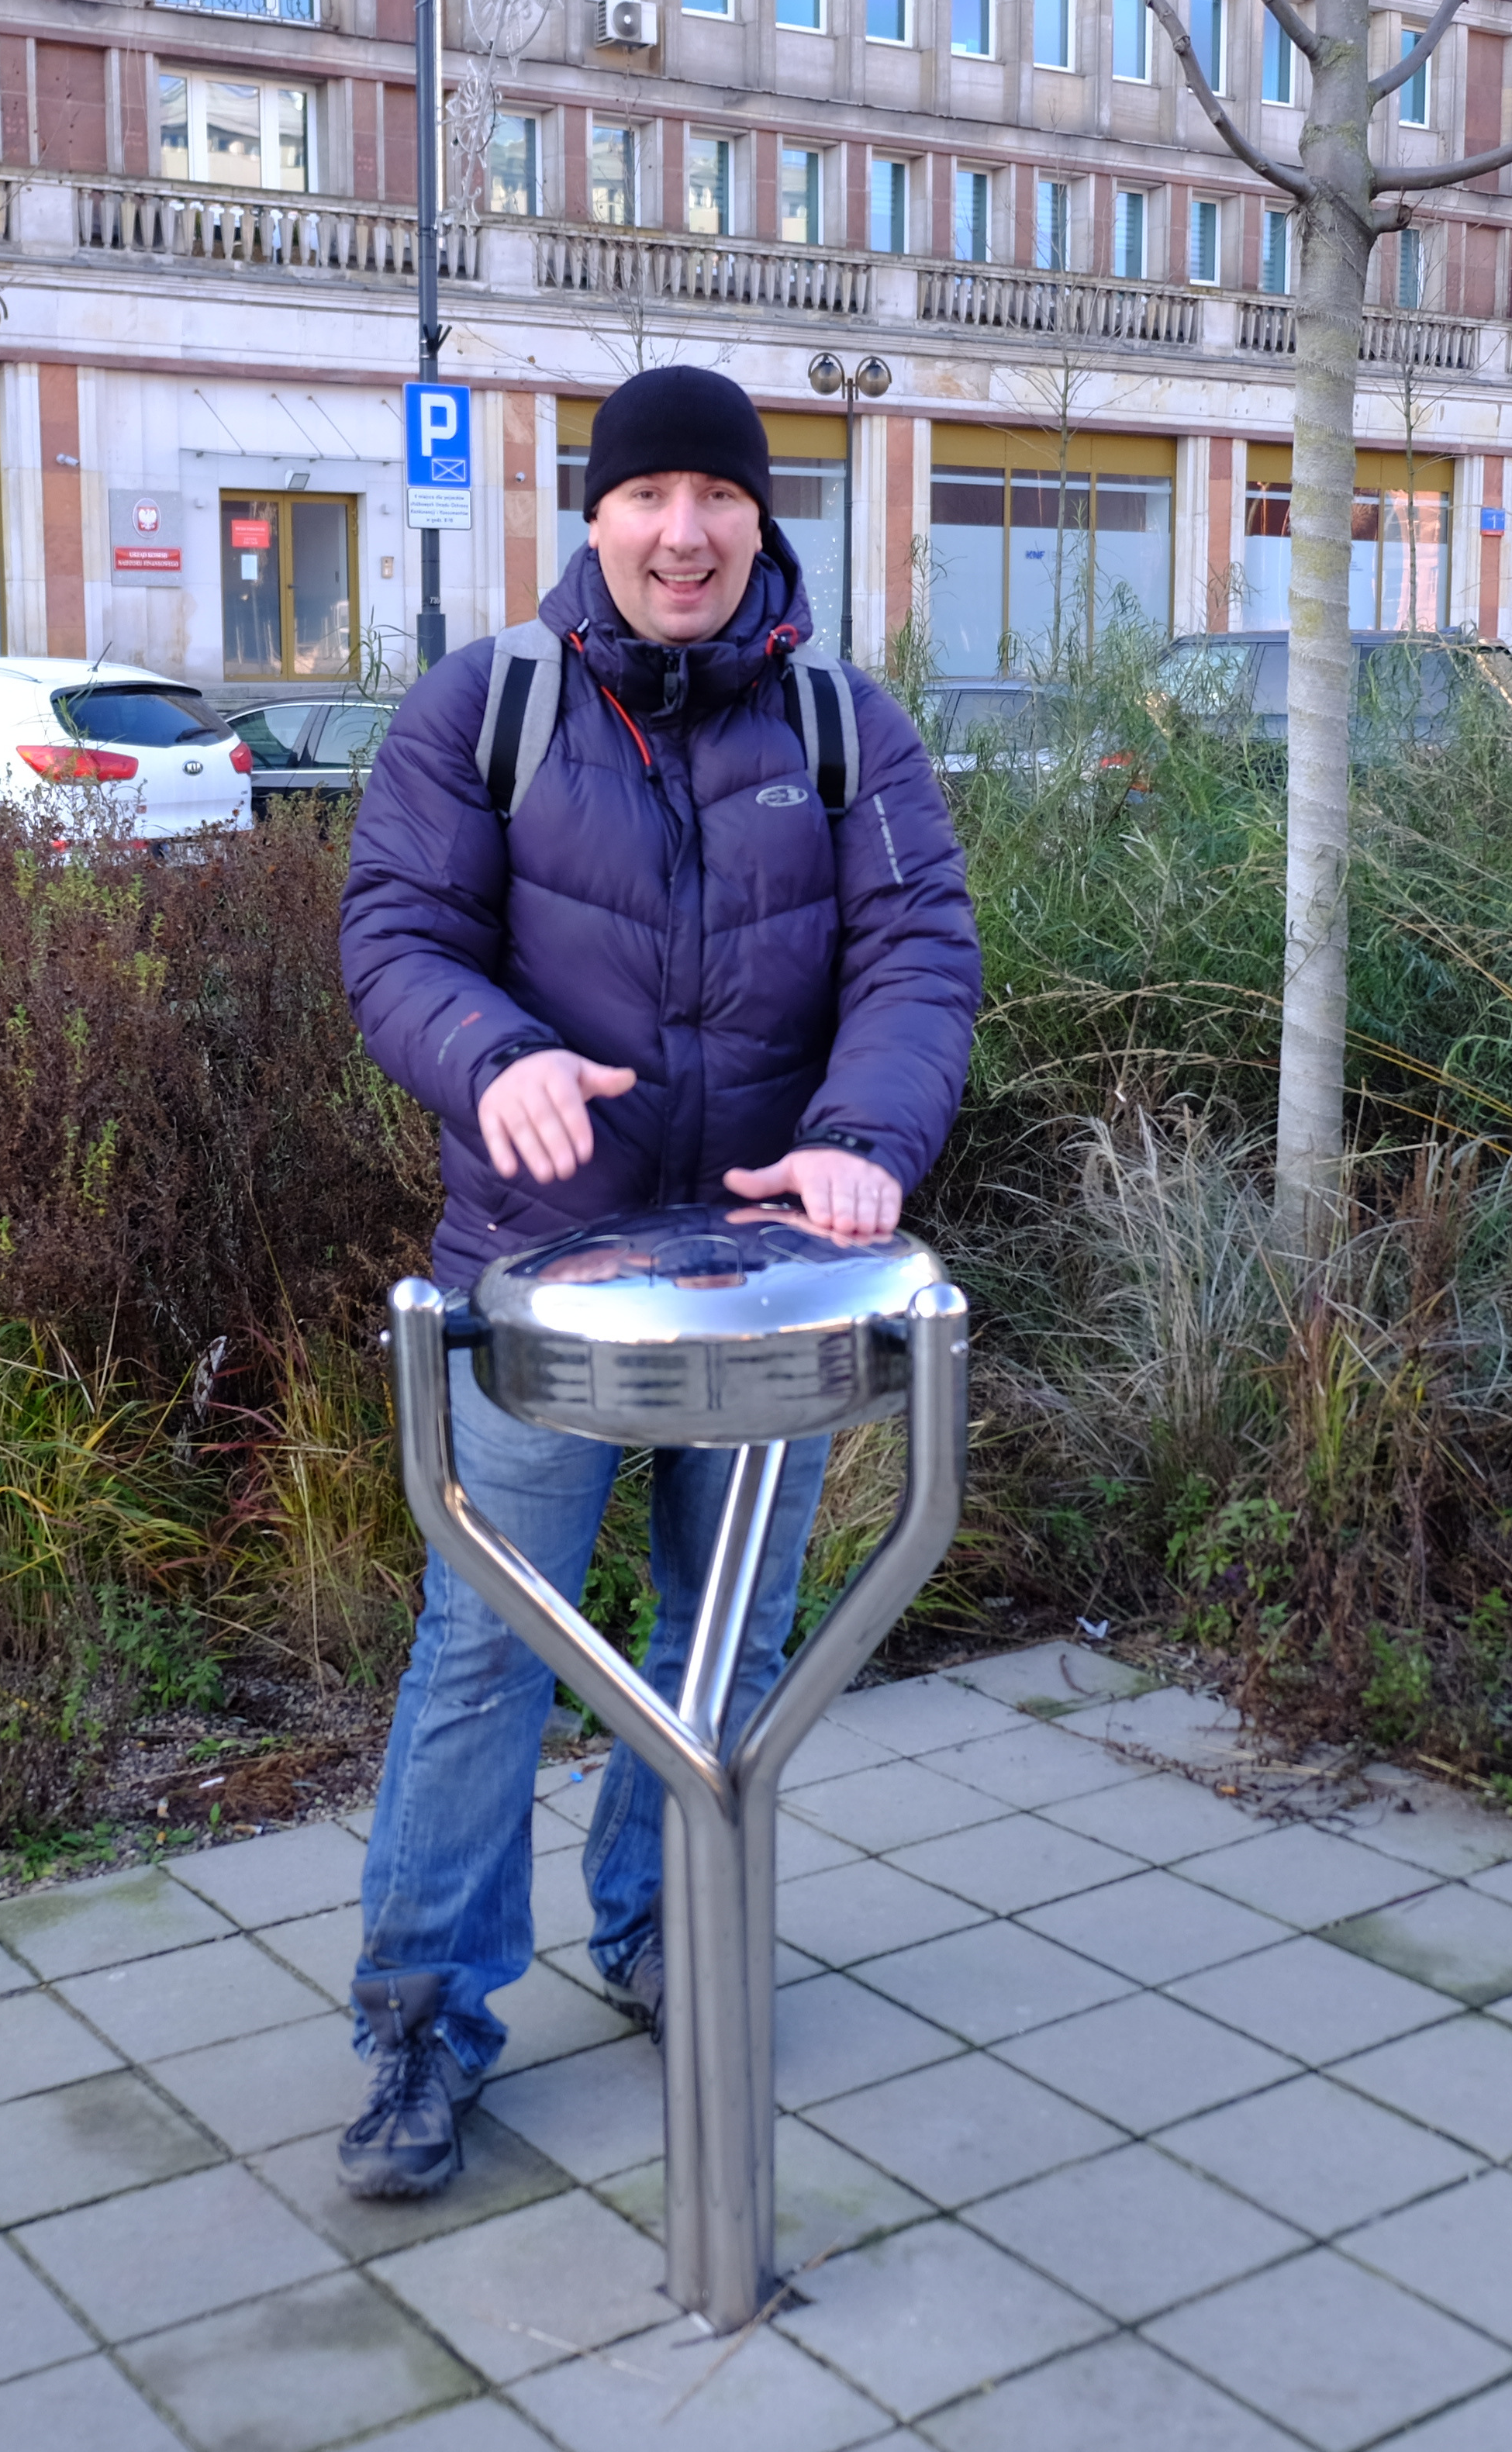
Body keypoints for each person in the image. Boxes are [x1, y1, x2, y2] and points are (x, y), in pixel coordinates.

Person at [332, 364, 981, 2198]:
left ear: (762, 520)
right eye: (647, 496)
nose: (682, 533)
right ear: (595, 516)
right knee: (487, 1651)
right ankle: (420, 2026)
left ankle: (662, 1925)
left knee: (729, 1642)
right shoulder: (490, 706)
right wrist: (494, 1057)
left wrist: (864, 1136)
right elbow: (396, 932)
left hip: (773, 1285)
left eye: (718, 497)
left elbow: (920, 952)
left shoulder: (846, 727)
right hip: (536, 1277)